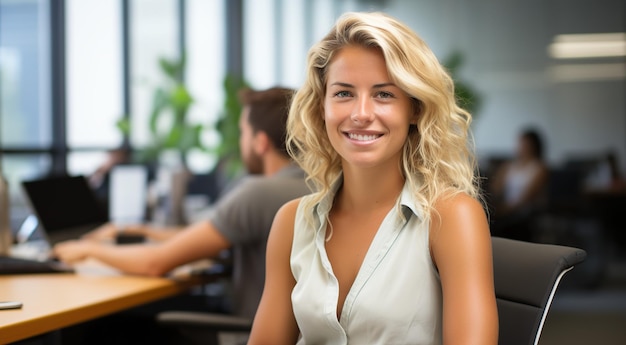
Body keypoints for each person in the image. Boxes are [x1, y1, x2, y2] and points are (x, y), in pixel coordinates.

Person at [248, 12, 498, 345]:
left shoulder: (451, 217)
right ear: (320, 108)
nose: (361, 114)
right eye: (343, 93)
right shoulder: (293, 222)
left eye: (384, 94)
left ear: (415, 109)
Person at [54, 86, 310, 320]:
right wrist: (142, 230)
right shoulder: (315, 185)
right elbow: (208, 234)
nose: (240, 142)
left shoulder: (260, 192)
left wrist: (89, 250)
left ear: (260, 142)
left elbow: (154, 263)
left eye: (244, 133)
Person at [489, 128, 548, 241]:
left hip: (525, 213)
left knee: (496, 226)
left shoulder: (540, 168)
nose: (521, 147)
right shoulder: (509, 166)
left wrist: (503, 210)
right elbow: (494, 190)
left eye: (525, 144)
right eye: (520, 143)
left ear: (534, 146)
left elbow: (527, 198)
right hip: (506, 209)